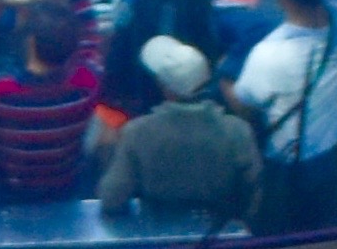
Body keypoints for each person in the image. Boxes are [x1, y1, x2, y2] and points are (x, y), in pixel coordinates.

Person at [231, 0, 337, 232]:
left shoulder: (268, 54)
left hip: (286, 170)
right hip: (335, 163)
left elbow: (245, 102)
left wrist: (221, 81)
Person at [98, 37, 258, 227]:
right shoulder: (237, 131)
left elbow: (112, 198)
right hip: (219, 238)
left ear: (164, 87)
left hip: (157, 238)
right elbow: (255, 194)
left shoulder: (138, 132)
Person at [0, 2, 101, 200]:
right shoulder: (87, 85)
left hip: (10, 190)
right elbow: (91, 46)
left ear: (31, 42)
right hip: (64, 185)